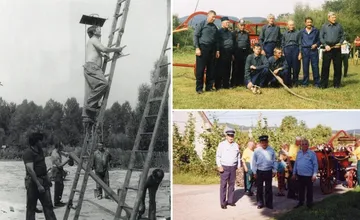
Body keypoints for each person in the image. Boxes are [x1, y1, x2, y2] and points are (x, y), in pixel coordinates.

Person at [83, 25, 124, 123]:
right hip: (92, 67)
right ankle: (90, 104)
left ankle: (90, 112)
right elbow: (104, 49)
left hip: (93, 68)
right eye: (98, 29)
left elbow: (97, 52)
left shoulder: (92, 41)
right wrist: (117, 49)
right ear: (94, 31)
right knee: (103, 84)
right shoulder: (94, 39)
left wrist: (102, 55)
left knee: (97, 88)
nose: (100, 30)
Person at [23, 132, 57, 220]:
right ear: (36, 141)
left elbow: (43, 166)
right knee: (31, 208)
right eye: (40, 141)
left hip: (43, 180)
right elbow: (30, 170)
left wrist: (47, 179)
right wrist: (38, 185)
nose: (42, 142)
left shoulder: (40, 151)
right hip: (33, 182)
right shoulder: (28, 153)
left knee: (48, 206)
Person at [193, 10, 219, 94]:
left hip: (212, 50)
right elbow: (196, 36)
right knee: (200, 70)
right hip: (202, 49)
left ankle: (209, 87)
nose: (214, 19)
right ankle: (199, 88)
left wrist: (217, 50)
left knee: (211, 69)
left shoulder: (214, 27)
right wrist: (197, 48)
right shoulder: (201, 24)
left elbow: (217, 40)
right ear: (208, 16)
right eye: (213, 17)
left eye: (215, 17)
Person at [216, 129, 241, 209]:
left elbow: (238, 156)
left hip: (233, 167)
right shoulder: (222, 144)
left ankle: (230, 201)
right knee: (223, 185)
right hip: (224, 167)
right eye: (229, 136)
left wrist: (239, 165)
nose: (231, 137)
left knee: (231, 184)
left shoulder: (236, 145)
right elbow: (218, 156)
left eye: (232, 136)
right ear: (226, 136)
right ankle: (223, 203)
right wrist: (219, 165)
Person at [320, 12, 344, 88]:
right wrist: (325, 45)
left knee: (338, 67)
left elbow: (343, 35)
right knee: (325, 67)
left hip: (337, 48)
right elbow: (321, 37)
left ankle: (337, 84)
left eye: (335, 17)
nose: (334, 19)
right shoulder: (324, 26)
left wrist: (340, 43)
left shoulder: (339, 26)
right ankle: (324, 84)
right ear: (328, 18)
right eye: (333, 17)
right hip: (327, 49)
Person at [252, 135, 276, 209]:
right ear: (260, 143)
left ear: (267, 142)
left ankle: (269, 203)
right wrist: (254, 172)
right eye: (262, 142)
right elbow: (253, 162)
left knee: (268, 188)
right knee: (259, 188)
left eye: (265, 142)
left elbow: (274, 161)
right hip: (259, 171)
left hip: (268, 171)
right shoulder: (257, 151)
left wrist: (274, 170)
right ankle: (260, 203)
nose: (264, 144)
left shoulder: (271, 150)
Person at [292, 139, 318, 209]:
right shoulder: (299, 153)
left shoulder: (312, 154)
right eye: (302, 144)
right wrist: (294, 173)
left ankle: (309, 203)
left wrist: (314, 175)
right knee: (301, 190)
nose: (304, 145)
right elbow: (296, 163)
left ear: (308, 145)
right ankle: (301, 202)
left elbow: (315, 164)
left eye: (305, 144)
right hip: (300, 175)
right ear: (301, 145)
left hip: (309, 176)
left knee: (309, 190)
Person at [300, 17, 321, 87]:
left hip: (313, 51)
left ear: (312, 23)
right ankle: (305, 83)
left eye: (310, 22)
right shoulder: (301, 31)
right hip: (305, 50)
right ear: (305, 23)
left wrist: (316, 44)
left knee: (315, 67)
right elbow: (299, 42)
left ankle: (317, 83)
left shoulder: (316, 31)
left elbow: (319, 40)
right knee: (305, 67)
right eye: (308, 22)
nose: (309, 24)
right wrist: (300, 52)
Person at [215, 16, 234, 90]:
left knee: (228, 69)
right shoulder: (219, 32)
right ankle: (218, 85)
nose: (228, 24)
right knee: (220, 69)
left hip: (229, 52)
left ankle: (226, 85)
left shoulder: (230, 32)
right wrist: (217, 51)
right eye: (226, 23)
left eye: (228, 23)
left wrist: (232, 54)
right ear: (222, 23)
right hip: (222, 52)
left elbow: (232, 42)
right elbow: (217, 42)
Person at [282, 20, 301, 87]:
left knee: (296, 67)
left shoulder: (298, 33)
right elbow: (283, 43)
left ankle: (295, 82)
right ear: (287, 26)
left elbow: (300, 43)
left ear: (294, 25)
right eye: (290, 25)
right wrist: (283, 52)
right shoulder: (284, 33)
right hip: (287, 50)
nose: (291, 26)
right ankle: (288, 82)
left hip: (295, 49)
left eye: (292, 25)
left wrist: (300, 53)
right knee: (288, 66)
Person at [232, 19, 251, 88]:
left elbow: (248, 44)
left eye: (243, 25)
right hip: (237, 52)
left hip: (245, 52)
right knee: (236, 68)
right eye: (241, 25)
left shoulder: (247, 33)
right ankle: (234, 83)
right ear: (238, 25)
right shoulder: (234, 33)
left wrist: (249, 53)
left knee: (243, 68)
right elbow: (233, 44)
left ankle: (241, 82)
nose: (242, 27)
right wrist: (233, 54)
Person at [50, 142, 70, 207]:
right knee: (58, 186)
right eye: (61, 147)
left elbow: (63, 153)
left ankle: (58, 200)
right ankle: (56, 202)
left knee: (61, 185)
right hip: (56, 170)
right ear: (58, 147)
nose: (62, 148)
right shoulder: (54, 154)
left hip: (59, 170)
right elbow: (59, 165)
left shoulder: (58, 151)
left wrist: (67, 154)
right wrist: (67, 160)